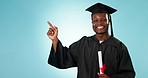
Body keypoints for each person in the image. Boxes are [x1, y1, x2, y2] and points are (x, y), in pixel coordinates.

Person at [47, 3, 135, 78]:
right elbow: (64, 58)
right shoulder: (83, 44)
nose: (99, 23)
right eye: (95, 20)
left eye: (103, 20)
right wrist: (55, 40)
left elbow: (128, 74)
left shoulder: (119, 47)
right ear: (92, 23)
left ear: (109, 22)